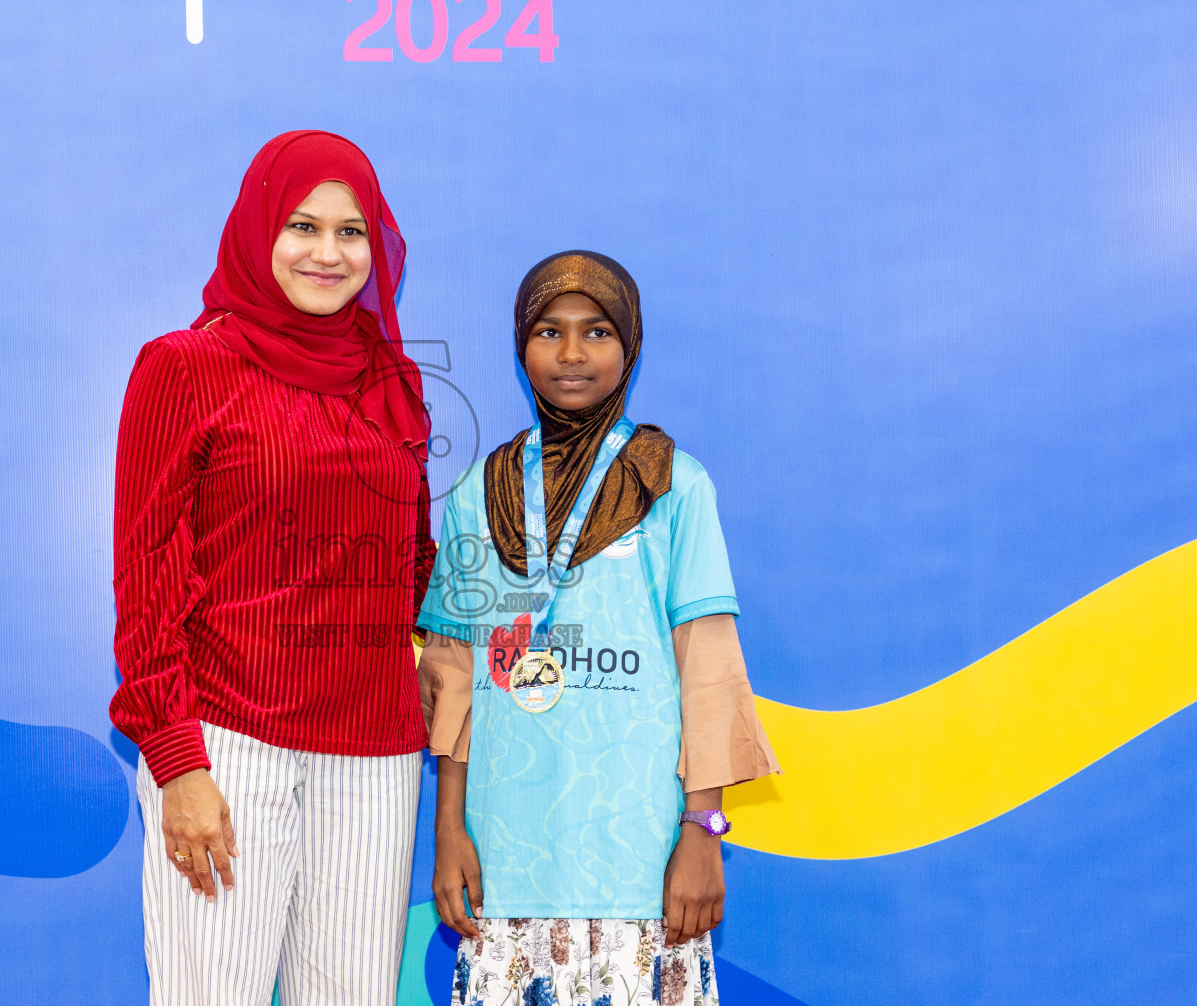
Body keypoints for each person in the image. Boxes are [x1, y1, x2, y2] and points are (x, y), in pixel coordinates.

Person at [110, 131, 434, 1006]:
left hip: (374, 754)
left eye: (352, 231)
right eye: (302, 225)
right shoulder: (186, 367)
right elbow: (147, 582)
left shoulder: (391, 379)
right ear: (259, 231)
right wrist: (178, 761)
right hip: (227, 742)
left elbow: (412, 565)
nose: (329, 253)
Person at [417, 251, 780, 1006]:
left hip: (643, 872)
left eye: (598, 331)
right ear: (521, 346)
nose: (573, 354)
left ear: (631, 347)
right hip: (507, 869)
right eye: (549, 330)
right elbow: (451, 680)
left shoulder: (673, 482)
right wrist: (448, 828)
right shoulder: (476, 494)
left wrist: (702, 831)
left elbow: (707, 670)